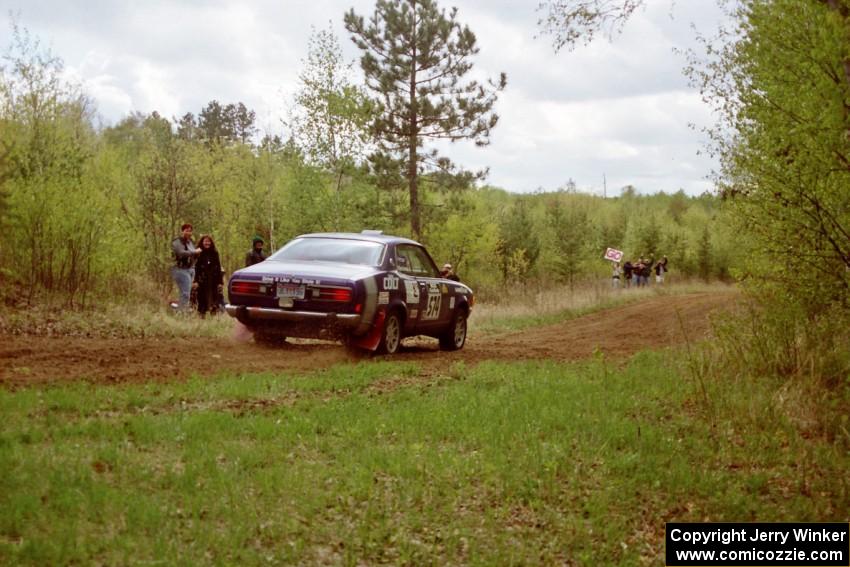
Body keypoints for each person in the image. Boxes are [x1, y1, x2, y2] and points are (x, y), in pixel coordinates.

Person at [171, 223, 201, 311]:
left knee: (185, 292)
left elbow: (193, 255)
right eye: (186, 231)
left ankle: (180, 310)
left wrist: (197, 254)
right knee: (185, 293)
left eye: (190, 231)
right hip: (180, 269)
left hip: (190, 269)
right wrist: (195, 252)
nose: (188, 233)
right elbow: (181, 253)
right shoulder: (177, 241)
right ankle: (182, 312)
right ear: (182, 231)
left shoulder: (190, 242)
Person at [194, 235, 224, 316]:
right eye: (205, 241)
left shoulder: (215, 253)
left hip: (213, 279)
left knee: (214, 297)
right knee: (201, 298)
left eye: (208, 241)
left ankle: (213, 314)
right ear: (202, 242)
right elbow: (195, 268)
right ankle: (201, 315)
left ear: (211, 242)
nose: (207, 243)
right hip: (202, 279)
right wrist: (195, 280)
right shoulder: (198, 253)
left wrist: (220, 282)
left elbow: (218, 267)